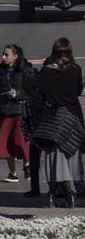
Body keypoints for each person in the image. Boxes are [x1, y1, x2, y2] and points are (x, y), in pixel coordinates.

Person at [29, 38, 85, 207]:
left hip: (53, 117)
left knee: (54, 156)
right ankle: (74, 187)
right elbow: (78, 90)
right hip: (73, 118)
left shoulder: (47, 72)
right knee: (72, 154)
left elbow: (30, 86)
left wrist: (45, 98)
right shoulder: (76, 70)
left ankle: (58, 191)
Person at [0, 44, 33, 183]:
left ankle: (28, 165)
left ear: (15, 56)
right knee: (3, 141)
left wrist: (17, 94)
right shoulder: (1, 69)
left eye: (7, 54)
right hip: (5, 110)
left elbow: (32, 91)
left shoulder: (25, 70)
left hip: (20, 110)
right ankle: (12, 173)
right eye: (3, 54)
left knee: (20, 140)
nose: (3, 57)